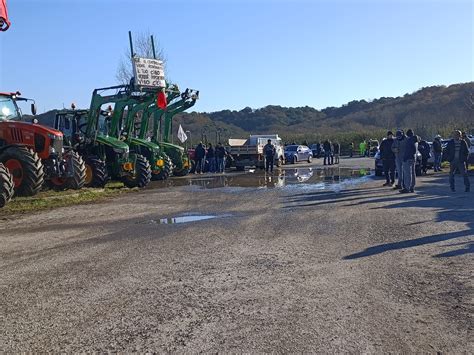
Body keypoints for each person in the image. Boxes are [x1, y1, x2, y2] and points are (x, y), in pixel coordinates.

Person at [400, 129, 418, 193]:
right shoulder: (415, 140)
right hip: (413, 158)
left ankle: (407, 188)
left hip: (408, 158)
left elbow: (410, 150)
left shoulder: (409, 140)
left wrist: (405, 158)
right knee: (413, 173)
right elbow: (414, 150)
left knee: (407, 173)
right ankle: (412, 187)